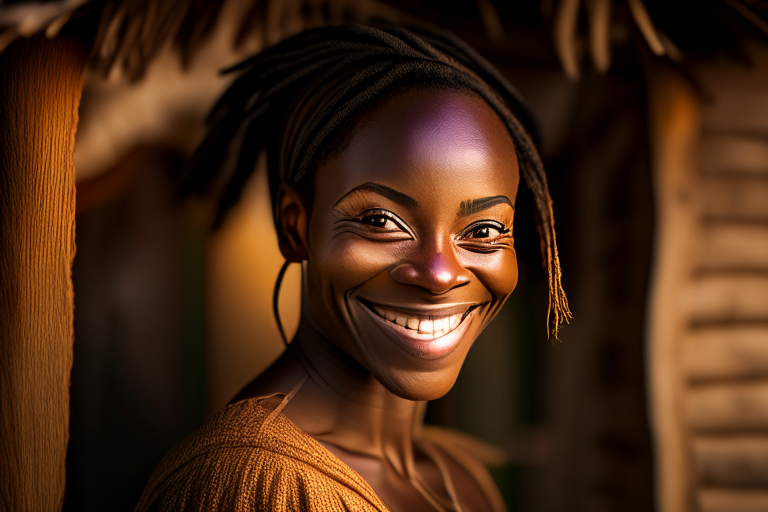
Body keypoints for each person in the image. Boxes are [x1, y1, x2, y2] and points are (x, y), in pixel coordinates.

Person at [135, 23, 569, 512]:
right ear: (296, 227)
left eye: (484, 232)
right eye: (382, 220)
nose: (441, 273)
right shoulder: (253, 484)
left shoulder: (461, 479)